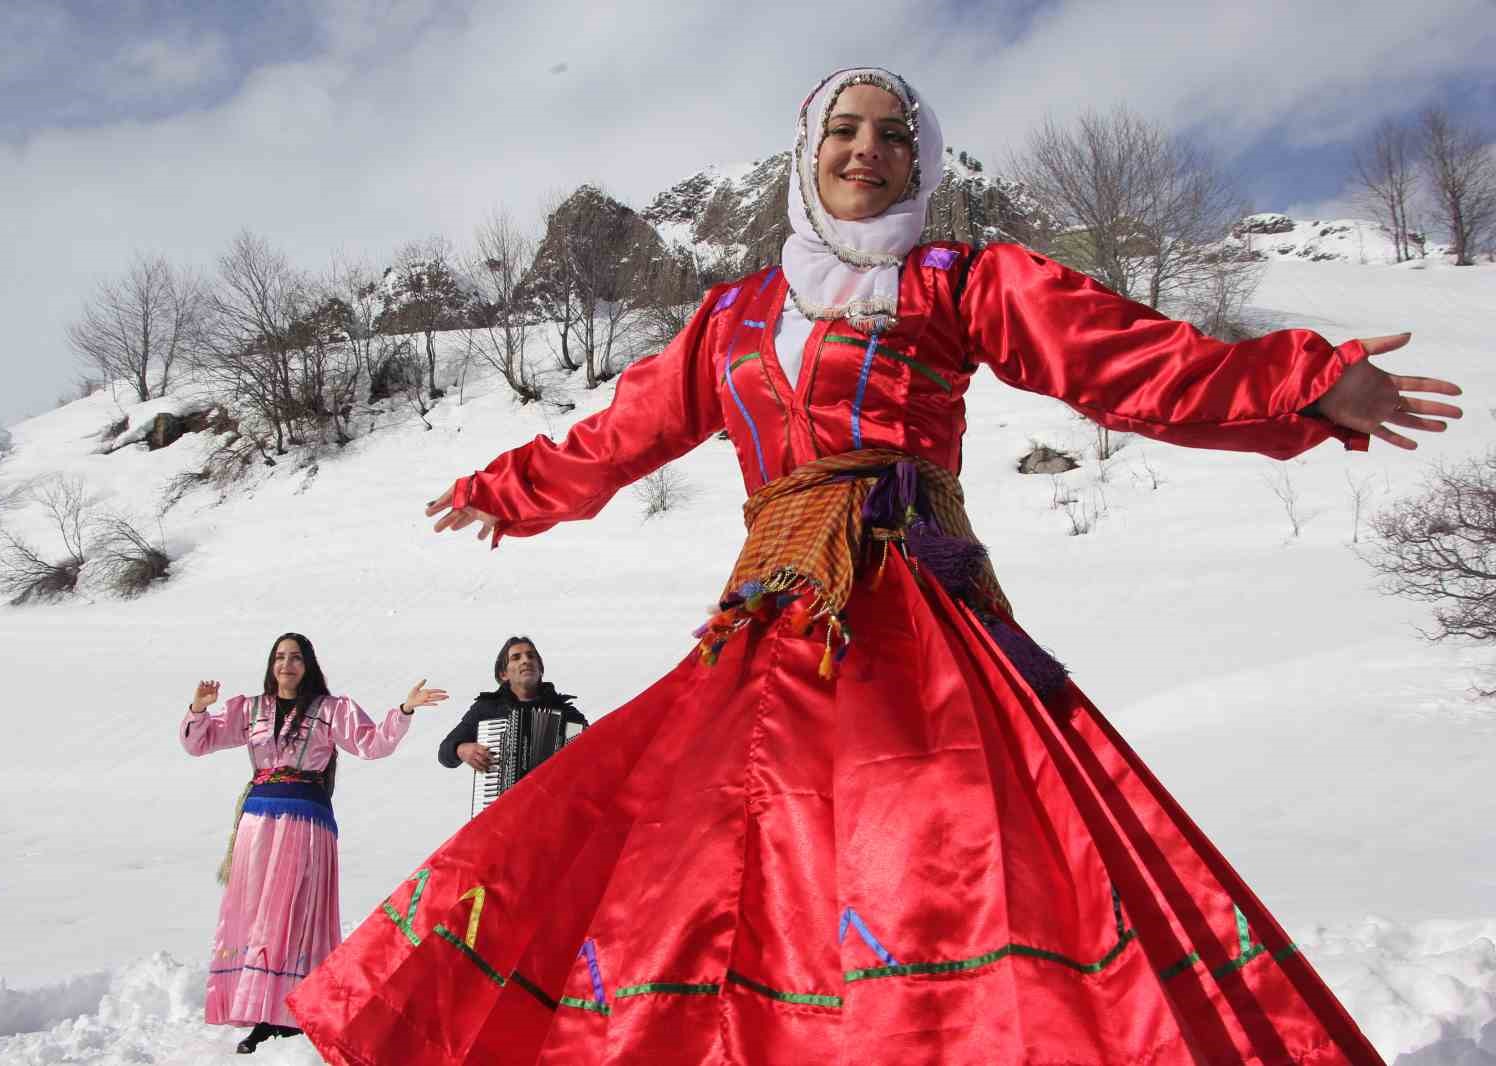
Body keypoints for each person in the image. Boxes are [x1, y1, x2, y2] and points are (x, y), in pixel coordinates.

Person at [288, 68, 1462, 1065]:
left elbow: (1127, 364)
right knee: (704, 862)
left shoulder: (965, 281)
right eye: (844, 131)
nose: (868, 149)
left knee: (935, 846)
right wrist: (507, 486)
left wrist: (1300, 381)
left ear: (920, 164)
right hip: (771, 620)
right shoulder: (731, 318)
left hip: (923, 617)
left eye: (893, 136)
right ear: (807, 155)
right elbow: (620, 433)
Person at [181, 632, 447, 1054]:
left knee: (294, 909)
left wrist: (404, 709)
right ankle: (260, 1010)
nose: (287, 665)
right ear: (272, 665)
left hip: (306, 820)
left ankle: (293, 1009)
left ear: (309, 665)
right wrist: (199, 708)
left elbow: (372, 744)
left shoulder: (330, 710)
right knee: (256, 911)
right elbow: (199, 743)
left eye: (296, 658)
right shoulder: (250, 710)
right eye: (280, 657)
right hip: (258, 821)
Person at [436, 636, 587, 776]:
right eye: (516, 658)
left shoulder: (567, 714)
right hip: (506, 801)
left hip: (551, 802)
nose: (525, 660)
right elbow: (444, 753)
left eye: (531, 656)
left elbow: (589, 757)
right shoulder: (486, 709)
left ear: (540, 669)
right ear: (503, 674)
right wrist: (460, 749)